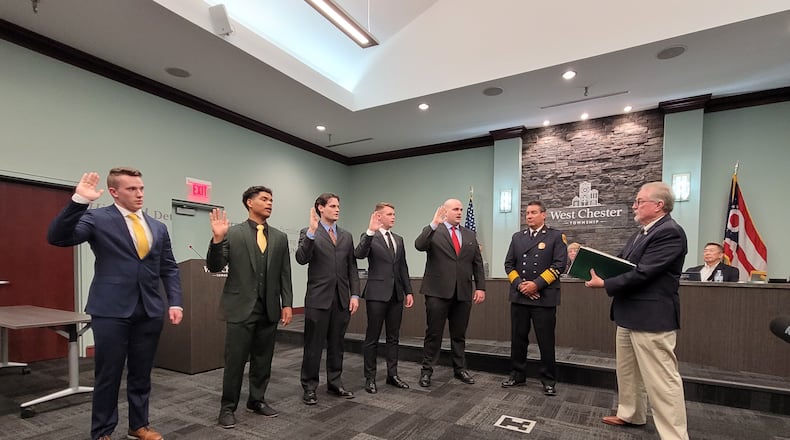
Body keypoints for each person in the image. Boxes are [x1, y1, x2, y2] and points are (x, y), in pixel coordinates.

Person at [47, 169, 183, 440]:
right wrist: (79, 201)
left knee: (142, 373)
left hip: (149, 309)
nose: (139, 194)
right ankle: (102, 431)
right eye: (131, 189)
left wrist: (175, 302)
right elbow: (58, 237)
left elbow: (168, 268)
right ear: (114, 192)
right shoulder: (97, 218)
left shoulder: (158, 227)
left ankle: (138, 425)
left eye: (141, 188)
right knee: (108, 374)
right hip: (110, 309)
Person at [584, 181, 689, 440]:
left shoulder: (670, 232)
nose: (634, 206)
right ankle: (631, 414)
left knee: (662, 380)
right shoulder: (641, 233)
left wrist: (605, 283)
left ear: (659, 205)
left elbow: (643, 273)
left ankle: (674, 436)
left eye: (639, 201)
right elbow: (621, 263)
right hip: (628, 314)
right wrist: (591, 264)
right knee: (628, 371)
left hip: (651, 318)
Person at [207, 186, 293, 429]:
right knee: (235, 361)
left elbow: (285, 273)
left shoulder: (280, 237)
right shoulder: (232, 233)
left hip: (269, 308)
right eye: (264, 199)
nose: (269, 203)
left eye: (271, 200)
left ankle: (256, 400)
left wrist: (287, 303)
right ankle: (227, 408)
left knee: (263, 360)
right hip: (240, 307)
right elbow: (214, 266)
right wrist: (217, 239)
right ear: (249, 202)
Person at [296, 192, 360, 405]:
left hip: (341, 299)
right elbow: (301, 258)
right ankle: (309, 387)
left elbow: (352, 267)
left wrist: (354, 294)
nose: (337, 209)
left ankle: (335, 383)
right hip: (318, 299)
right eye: (332, 206)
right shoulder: (308, 232)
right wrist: (312, 232)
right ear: (320, 208)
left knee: (337, 345)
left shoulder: (346, 236)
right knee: (313, 346)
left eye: (338, 206)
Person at [415, 198, 486, 387]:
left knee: (459, 334)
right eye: (455, 209)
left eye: (461, 209)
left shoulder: (469, 234)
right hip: (437, 292)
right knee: (434, 334)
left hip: (462, 292)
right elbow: (419, 245)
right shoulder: (434, 231)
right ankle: (426, 371)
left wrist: (480, 287)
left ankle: (460, 369)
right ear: (445, 211)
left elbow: (477, 263)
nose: (459, 212)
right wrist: (433, 223)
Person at [502, 201, 567, 396]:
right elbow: (509, 264)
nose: (529, 216)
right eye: (527, 213)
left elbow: (559, 265)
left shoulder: (556, 236)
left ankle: (548, 380)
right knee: (518, 339)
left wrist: (536, 285)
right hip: (520, 297)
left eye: (533, 212)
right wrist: (521, 285)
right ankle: (517, 375)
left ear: (544, 215)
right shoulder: (517, 237)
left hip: (544, 298)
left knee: (545, 341)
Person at [354, 202, 414, 394]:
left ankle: (392, 375)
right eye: (389, 214)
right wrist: (370, 232)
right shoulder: (369, 236)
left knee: (393, 338)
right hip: (377, 294)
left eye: (394, 214)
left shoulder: (399, 239)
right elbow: (359, 254)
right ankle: (370, 378)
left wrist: (409, 291)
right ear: (378, 216)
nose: (393, 217)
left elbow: (403, 267)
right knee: (372, 337)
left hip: (396, 294)